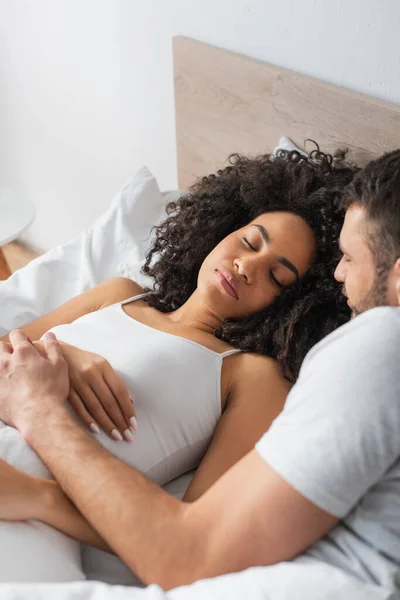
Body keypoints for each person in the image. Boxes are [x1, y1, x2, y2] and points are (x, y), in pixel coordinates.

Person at [0, 149, 399, 600]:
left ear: (292, 307)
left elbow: (187, 529)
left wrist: (33, 494)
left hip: (28, 503)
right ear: (222, 227)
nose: (247, 267)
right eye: (250, 242)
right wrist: (59, 353)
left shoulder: (254, 376)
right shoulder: (121, 294)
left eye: (278, 277)